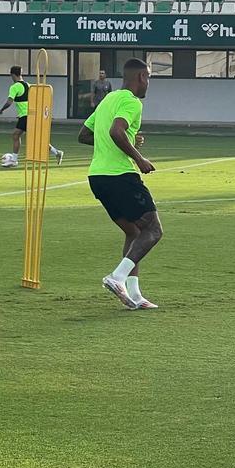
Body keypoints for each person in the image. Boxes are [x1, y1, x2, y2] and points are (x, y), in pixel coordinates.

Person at [78, 58, 160, 310]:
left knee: (134, 233)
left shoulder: (108, 100)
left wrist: (130, 141)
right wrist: (139, 158)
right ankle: (117, 277)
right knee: (154, 230)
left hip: (98, 178)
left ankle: (135, 295)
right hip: (119, 176)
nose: (148, 84)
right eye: (148, 78)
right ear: (141, 77)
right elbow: (116, 131)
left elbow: (84, 135)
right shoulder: (131, 102)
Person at [0, 65, 63, 167]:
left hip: (26, 116)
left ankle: (14, 160)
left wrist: (2, 109)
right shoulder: (29, 85)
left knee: (16, 135)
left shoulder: (14, 87)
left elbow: (9, 102)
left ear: (12, 75)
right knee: (37, 138)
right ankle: (57, 152)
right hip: (32, 115)